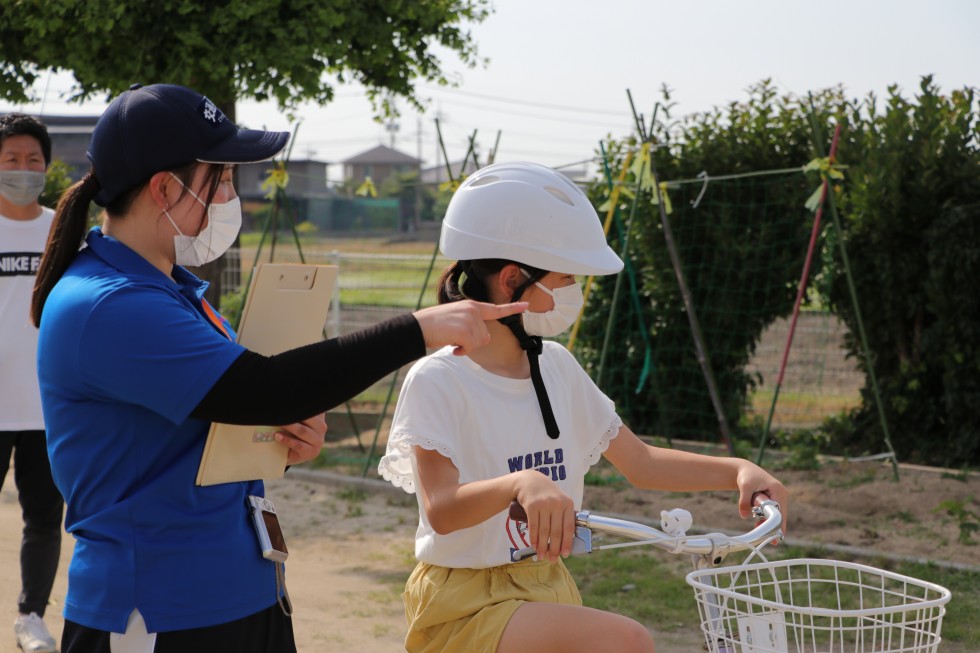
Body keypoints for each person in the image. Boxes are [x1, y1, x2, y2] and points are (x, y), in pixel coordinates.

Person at [30, 83, 526, 653]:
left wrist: (280, 438)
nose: (230, 195)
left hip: (236, 591)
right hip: (157, 611)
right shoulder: (109, 304)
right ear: (164, 188)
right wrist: (419, 329)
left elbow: (217, 418)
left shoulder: (168, 290)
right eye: (219, 179)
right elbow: (262, 388)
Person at [379, 161, 790, 653]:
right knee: (625, 641)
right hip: (465, 602)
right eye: (565, 278)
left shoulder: (556, 367)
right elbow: (441, 510)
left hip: (544, 586)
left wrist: (739, 470)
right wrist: (520, 483)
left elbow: (641, 462)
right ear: (512, 281)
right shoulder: (439, 380)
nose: (575, 292)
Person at [0, 112, 63, 653]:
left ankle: (31, 617)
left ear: (47, 166)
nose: (23, 169)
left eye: (33, 160)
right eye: (11, 160)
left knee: (44, 520)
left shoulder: (61, 232)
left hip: (49, 407)